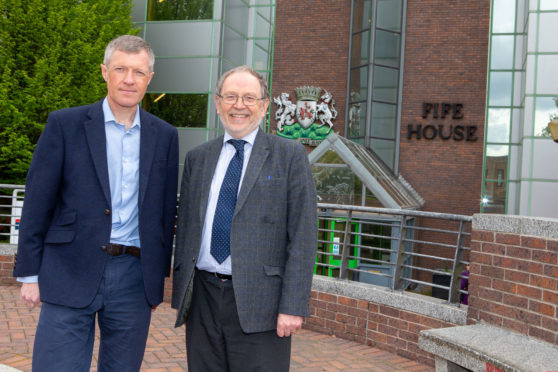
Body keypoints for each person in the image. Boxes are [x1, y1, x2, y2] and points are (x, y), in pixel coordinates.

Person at [12, 35, 178, 371]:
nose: (129, 79)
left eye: (138, 72)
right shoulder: (65, 125)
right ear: (105, 72)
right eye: (120, 69)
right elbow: (38, 201)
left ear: (149, 79)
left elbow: (163, 212)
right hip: (68, 269)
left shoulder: (165, 135)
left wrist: (156, 280)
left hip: (134, 278)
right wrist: (29, 273)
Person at [171, 65, 318, 371]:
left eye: (249, 98)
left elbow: (302, 237)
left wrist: (292, 306)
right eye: (231, 96)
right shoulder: (198, 158)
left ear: (264, 105)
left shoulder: (290, 156)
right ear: (217, 102)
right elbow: (186, 227)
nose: (239, 105)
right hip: (203, 299)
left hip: (261, 304)